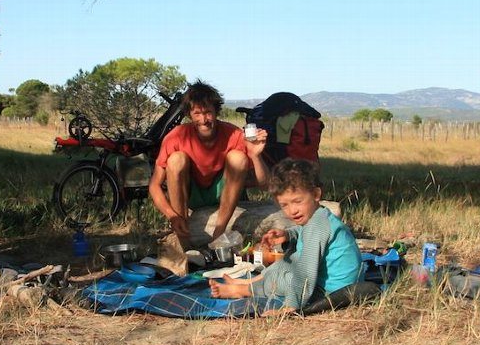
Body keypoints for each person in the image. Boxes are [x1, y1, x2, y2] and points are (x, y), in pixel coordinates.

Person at [209, 158, 371, 315]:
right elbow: (304, 232)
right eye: (284, 205)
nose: (292, 210)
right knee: (284, 263)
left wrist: (291, 306)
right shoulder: (318, 216)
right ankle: (248, 282)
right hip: (332, 282)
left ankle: (242, 290)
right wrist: (288, 234)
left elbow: (305, 272)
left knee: (285, 279)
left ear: (316, 194)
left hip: (335, 291)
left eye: (297, 201)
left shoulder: (318, 224)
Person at [149, 80, 269, 245]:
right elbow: (154, 185)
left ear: (216, 111)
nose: (204, 119)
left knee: (238, 157)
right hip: (192, 194)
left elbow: (265, 185)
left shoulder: (233, 134)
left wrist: (256, 155)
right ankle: (183, 237)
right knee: (176, 159)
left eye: (208, 112)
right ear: (189, 115)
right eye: (197, 113)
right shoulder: (176, 136)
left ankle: (219, 232)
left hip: (222, 192)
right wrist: (172, 216)